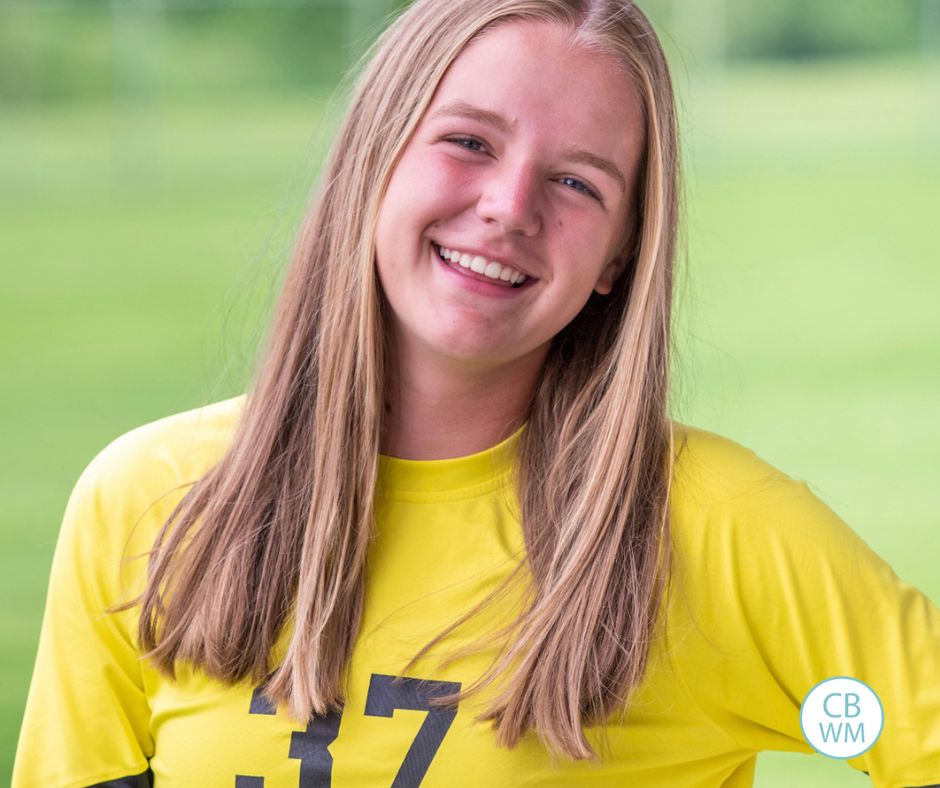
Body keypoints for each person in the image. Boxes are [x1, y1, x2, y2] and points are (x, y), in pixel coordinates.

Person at [12, 0, 940, 785]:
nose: (509, 205)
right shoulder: (148, 501)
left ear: (620, 254)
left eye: (577, 181)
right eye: (467, 141)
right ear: (375, 153)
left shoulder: (718, 527)